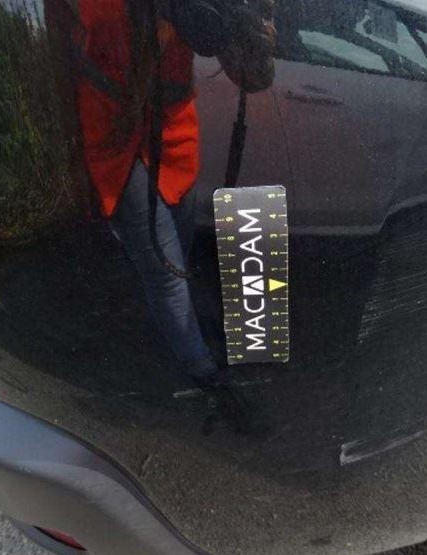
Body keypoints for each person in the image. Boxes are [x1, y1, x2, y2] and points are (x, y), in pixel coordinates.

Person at [62, 0, 275, 387]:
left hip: (173, 133)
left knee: (178, 251)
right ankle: (203, 372)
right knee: (165, 271)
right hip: (114, 133)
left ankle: (187, 331)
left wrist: (246, 25)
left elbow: (254, 76)